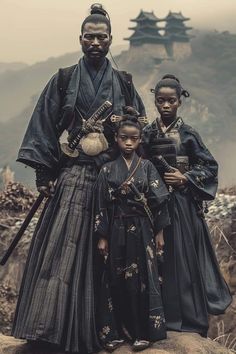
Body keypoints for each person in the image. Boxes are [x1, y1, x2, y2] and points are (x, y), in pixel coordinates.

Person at [12, 4, 145, 353]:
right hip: (72, 177)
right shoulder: (64, 78)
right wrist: (44, 173)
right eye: (90, 36)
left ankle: (106, 330)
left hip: (112, 179)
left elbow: (138, 128)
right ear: (81, 39)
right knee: (61, 250)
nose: (96, 42)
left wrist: (126, 122)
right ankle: (48, 328)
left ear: (111, 39)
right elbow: (44, 123)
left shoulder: (124, 82)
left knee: (108, 255)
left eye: (102, 37)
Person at [142, 74, 232, 337]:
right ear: (155, 101)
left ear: (180, 101)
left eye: (171, 100)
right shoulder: (147, 133)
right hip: (153, 205)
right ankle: (160, 320)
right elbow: (140, 162)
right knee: (158, 261)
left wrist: (186, 178)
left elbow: (210, 167)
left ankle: (192, 322)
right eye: (161, 101)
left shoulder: (189, 133)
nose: (166, 105)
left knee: (185, 260)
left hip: (182, 205)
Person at [94, 115, 170, 352]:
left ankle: (142, 334)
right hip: (116, 227)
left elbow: (159, 201)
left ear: (139, 141)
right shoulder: (107, 170)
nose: (129, 143)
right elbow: (101, 205)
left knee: (142, 281)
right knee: (114, 279)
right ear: (115, 139)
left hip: (143, 230)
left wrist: (160, 233)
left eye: (134, 139)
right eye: (124, 138)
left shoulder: (146, 167)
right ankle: (114, 334)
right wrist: (103, 236)